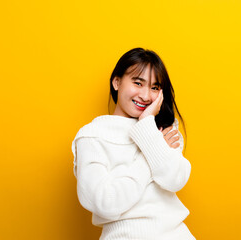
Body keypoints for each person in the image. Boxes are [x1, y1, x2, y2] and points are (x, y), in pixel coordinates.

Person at [71, 47, 195, 240]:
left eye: (154, 88)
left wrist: (146, 124)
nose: (146, 96)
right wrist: (150, 154)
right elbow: (105, 202)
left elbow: (175, 180)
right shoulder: (92, 136)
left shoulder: (163, 128)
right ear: (117, 82)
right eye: (138, 83)